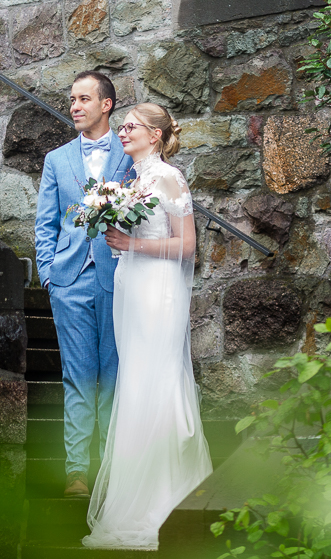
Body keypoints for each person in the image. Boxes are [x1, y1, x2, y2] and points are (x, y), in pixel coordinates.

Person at [82, 103, 212, 549]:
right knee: (135, 381)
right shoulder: (131, 182)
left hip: (158, 289)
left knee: (155, 381)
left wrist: (131, 243)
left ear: (155, 135)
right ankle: (134, 495)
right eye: (122, 127)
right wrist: (120, 243)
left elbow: (188, 244)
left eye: (131, 126)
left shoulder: (168, 178)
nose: (122, 132)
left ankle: (164, 497)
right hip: (131, 286)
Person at [34, 71, 134, 498]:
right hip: (70, 282)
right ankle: (77, 471)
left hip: (119, 280)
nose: (74, 106)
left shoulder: (131, 155)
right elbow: (45, 223)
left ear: (106, 104)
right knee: (78, 376)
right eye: (71, 99)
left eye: (83, 99)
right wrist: (48, 274)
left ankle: (112, 469)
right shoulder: (56, 160)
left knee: (114, 376)